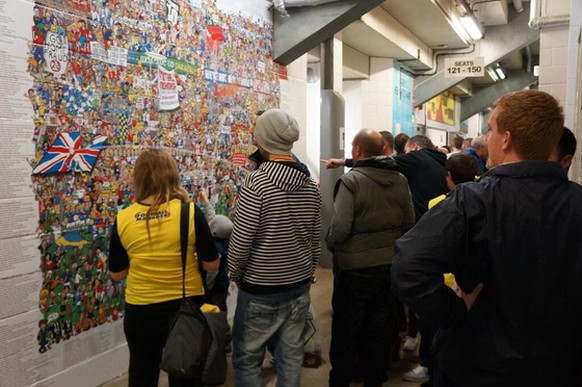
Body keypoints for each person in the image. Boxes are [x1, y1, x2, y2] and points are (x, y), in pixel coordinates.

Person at [392, 90, 582, 387]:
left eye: (490, 129)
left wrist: (452, 310)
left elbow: (407, 267)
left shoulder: (471, 200)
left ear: (505, 139)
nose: (487, 137)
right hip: (559, 368)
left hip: (477, 365)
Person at [108, 149, 219, 387]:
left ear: (138, 178)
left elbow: (117, 273)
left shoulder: (123, 218)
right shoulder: (189, 212)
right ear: (172, 175)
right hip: (185, 306)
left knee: (142, 374)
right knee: (186, 374)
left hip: (141, 309)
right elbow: (212, 263)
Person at [228, 108, 322, 387]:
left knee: (247, 358)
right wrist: (309, 272)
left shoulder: (257, 182)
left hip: (260, 287)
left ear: (262, 139)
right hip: (299, 284)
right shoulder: (308, 184)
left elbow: (242, 237)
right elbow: (314, 237)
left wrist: (235, 273)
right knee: (291, 356)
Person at [326, 129, 414, 387]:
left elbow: (340, 228)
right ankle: (375, 380)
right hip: (388, 267)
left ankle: (340, 381)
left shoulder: (351, 181)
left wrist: (330, 244)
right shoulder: (400, 180)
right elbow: (409, 222)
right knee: (379, 329)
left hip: (354, 269)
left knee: (346, 331)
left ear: (356, 150)